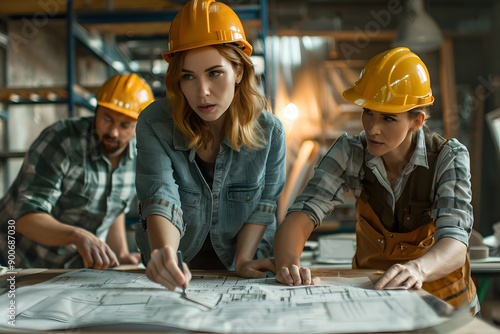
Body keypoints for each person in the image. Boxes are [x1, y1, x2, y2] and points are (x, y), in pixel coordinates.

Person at [273, 47, 479, 314]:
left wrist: (418, 268)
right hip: (375, 303)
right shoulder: (350, 152)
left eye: (388, 118)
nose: (372, 128)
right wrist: (289, 266)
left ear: (416, 121)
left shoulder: (448, 157)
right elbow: (301, 216)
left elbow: (455, 243)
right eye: (368, 111)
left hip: (446, 305)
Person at [135, 0, 286, 291]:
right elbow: (160, 195)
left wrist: (243, 260)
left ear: (239, 72)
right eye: (188, 76)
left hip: (241, 268)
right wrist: (165, 254)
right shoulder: (154, 123)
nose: (202, 92)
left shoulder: (271, 132)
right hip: (173, 266)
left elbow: (264, 205)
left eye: (215, 73)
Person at [0, 73, 155, 269]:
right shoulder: (62, 140)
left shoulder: (138, 154)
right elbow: (23, 217)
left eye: (125, 125)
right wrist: (77, 235)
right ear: (96, 109)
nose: (113, 132)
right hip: (16, 261)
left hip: (70, 270)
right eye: (107, 119)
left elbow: (114, 209)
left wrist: (122, 254)